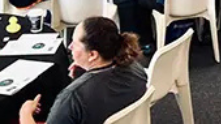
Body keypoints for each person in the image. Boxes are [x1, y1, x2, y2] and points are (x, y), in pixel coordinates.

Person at [19, 17, 147, 124]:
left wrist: (25, 113)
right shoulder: (135, 67)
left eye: (74, 44)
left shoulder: (73, 98)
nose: (69, 47)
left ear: (92, 55)